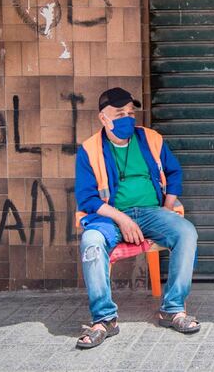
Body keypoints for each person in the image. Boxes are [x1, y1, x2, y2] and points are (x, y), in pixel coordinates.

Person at [74, 87, 200, 349]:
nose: (128, 118)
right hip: (110, 218)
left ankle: (172, 309)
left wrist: (166, 208)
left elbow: (174, 172)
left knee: (186, 232)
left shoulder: (151, 139)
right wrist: (122, 219)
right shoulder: (89, 150)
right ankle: (105, 320)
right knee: (91, 243)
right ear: (103, 118)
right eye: (119, 113)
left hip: (152, 212)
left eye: (131, 112)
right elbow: (87, 199)